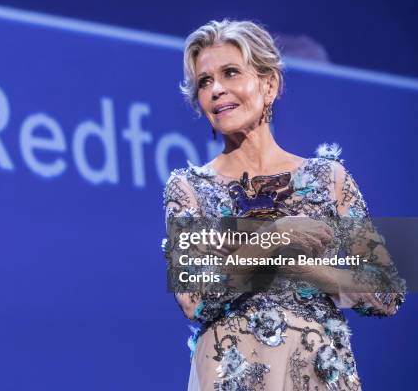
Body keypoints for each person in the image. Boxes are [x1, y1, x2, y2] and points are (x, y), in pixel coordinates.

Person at [163, 20, 406, 391]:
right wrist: (275, 236)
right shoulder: (189, 187)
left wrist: (305, 270)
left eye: (230, 73)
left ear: (269, 84)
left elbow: (386, 293)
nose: (216, 89)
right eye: (204, 82)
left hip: (317, 372)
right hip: (231, 374)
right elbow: (193, 298)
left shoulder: (328, 179)